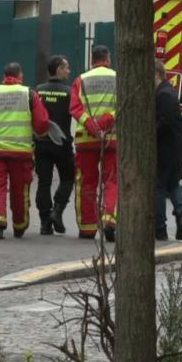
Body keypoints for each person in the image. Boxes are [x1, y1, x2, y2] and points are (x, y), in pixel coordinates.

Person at [0, 62, 50, 239]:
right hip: (22, 153)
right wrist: (41, 133)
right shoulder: (29, 95)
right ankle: (19, 224)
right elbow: (42, 124)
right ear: (20, 76)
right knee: (20, 188)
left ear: (4, 76)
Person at [70, 45, 118, 242]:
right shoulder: (119, 78)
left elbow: (75, 108)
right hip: (112, 139)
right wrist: (104, 123)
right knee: (112, 180)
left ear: (92, 60)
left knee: (85, 182)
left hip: (86, 140)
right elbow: (124, 106)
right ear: (108, 59)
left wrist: (92, 126)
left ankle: (87, 227)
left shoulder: (81, 80)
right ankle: (109, 220)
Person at [34, 55, 75, 235]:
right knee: (68, 178)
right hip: (62, 144)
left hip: (41, 143)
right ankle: (57, 212)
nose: (69, 71)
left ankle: (45, 223)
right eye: (66, 67)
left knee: (43, 183)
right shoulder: (69, 92)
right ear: (58, 69)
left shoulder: (38, 90)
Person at [154, 59, 182, 241]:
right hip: (177, 147)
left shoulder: (164, 94)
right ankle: (181, 215)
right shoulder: (167, 91)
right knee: (173, 184)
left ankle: (160, 228)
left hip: (168, 148)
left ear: (157, 75)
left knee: (159, 187)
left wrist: (149, 132)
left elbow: (164, 122)